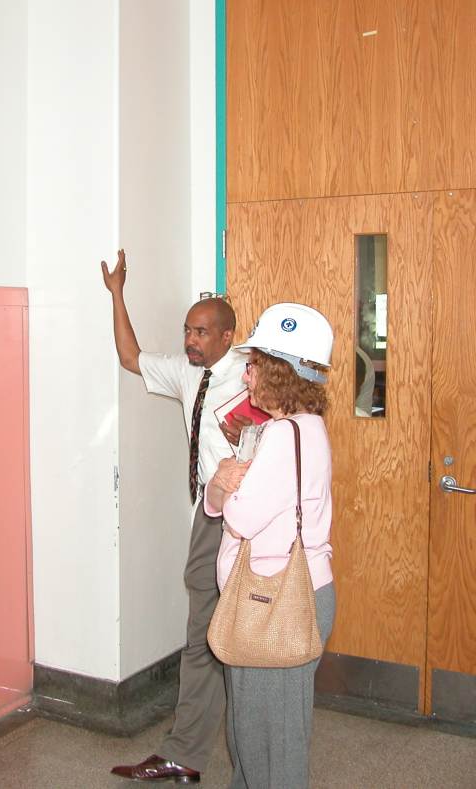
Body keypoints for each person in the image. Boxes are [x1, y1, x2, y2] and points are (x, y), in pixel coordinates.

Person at [102, 249, 247, 784]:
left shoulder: (250, 375)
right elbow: (130, 357)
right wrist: (117, 293)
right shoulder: (191, 374)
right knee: (207, 638)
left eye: (203, 332)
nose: (191, 339)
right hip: (209, 518)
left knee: (213, 639)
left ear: (228, 335)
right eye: (188, 330)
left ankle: (205, 752)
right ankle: (191, 753)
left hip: (241, 520)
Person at [204, 302, 336, 789]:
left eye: (254, 364)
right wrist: (225, 488)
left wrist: (227, 485)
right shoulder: (303, 428)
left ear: (279, 371)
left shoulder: (283, 435)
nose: (246, 376)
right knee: (255, 739)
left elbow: (236, 515)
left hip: (277, 602)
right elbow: (219, 505)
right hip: (277, 600)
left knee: (270, 747)